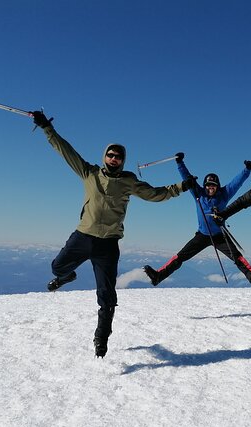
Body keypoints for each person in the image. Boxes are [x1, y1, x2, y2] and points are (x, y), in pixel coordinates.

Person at [32, 111, 195, 358]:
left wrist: (181, 187)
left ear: (123, 160)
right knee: (57, 268)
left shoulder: (129, 182)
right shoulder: (89, 173)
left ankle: (101, 339)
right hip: (83, 236)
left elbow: (155, 194)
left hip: (108, 245)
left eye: (118, 156)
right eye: (110, 154)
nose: (114, 158)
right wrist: (46, 128)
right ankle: (66, 277)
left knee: (107, 297)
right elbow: (65, 151)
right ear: (104, 156)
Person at [143, 153, 251, 290]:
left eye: (213, 185)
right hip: (202, 235)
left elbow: (237, 183)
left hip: (220, 236)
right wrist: (179, 163)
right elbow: (187, 178)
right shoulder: (198, 194)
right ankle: (158, 276)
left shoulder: (224, 194)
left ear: (218, 186)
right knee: (180, 257)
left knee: (237, 257)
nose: (210, 188)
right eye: (208, 185)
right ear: (205, 186)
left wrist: (247, 170)